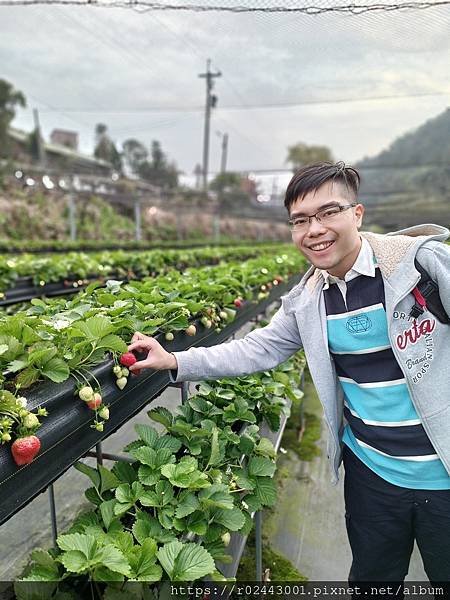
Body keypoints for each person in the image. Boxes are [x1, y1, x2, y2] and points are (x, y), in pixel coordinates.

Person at [127, 161, 450, 585]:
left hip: (443, 474)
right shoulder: (307, 299)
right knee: (372, 580)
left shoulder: (423, 266)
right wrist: (176, 360)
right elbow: (257, 348)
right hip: (373, 474)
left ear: (357, 213)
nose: (314, 229)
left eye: (328, 212)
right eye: (300, 220)